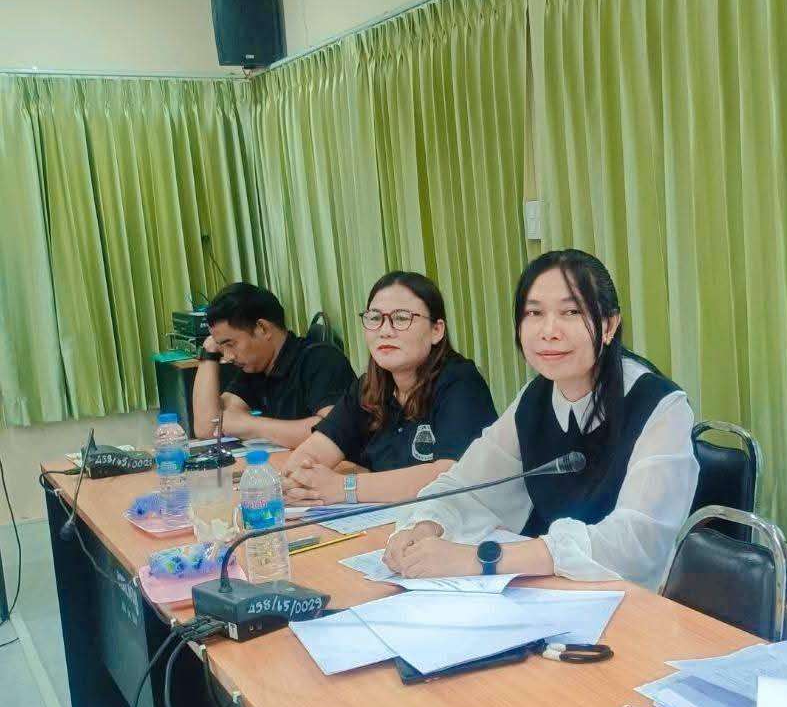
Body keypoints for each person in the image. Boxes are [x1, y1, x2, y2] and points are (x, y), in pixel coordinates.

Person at [382, 248, 698, 589]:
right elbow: (466, 485)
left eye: (571, 312)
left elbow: (636, 542)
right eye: (534, 313)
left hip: (636, 599)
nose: (549, 331)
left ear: (609, 325)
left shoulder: (661, 406)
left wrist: (482, 559)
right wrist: (424, 528)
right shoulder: (535, 397)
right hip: (556, 590)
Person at [280, 272, 497, 505]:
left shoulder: (461, 382)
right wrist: (299, 482)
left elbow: (450, 475)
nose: (385, 331)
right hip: (386, 519)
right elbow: (308, 457)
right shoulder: (368, 388)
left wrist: (344, 487)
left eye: (401, 318)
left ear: (436, 330)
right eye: (375, 318)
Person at [192, 283, 354, 449]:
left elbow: (335, 430)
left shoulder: (322, 359)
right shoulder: (255, 367)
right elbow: (208, 428)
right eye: (222, 346)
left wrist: (252, 426)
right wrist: (209, 353)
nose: (227, 357)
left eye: (230, 344)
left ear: (262, 328)